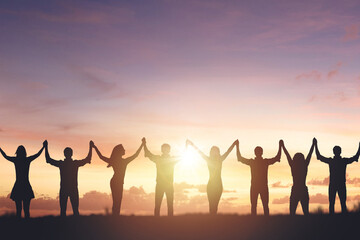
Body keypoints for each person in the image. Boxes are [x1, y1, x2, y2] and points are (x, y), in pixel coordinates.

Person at [92, 138, 145, 215]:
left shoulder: (119, 161)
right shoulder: (123, 161)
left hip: (117, 182)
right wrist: (142, 144)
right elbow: (136, 155)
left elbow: (101, 157)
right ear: (120, 152)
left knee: (117, 201)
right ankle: (115, 217)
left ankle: (116, 216)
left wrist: (95, 147)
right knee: (117, 201)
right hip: (115, 182)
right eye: (123, 149)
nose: (125, 150)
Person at [186, 139, 238, 215]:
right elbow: (199, 152)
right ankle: (211, 221)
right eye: (213, 151)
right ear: (211, 152)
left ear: (218, 152)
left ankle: (214, 221)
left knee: (215, 205)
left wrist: (234, 144)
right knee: (211, 205)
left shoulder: (220, 159)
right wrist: (192, 144)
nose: (214, 152)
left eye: (215, 151)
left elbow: (228, 151)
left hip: (218, 185)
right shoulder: (209, 159)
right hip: (211, 185)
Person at [44, 140, 92, 216]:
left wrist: (45, 147)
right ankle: (75, 226)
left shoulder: (62, 164)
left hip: (64, 189)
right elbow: (88, 159)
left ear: (64, 154)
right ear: (71, 154)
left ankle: (64, 226)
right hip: (72, 189)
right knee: (75, 211)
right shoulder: (75, 164)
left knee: (63, 211)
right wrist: (91, 147)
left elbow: (48, 160)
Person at [0, 141, 46, 218]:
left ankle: (20, 226)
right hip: (25, 186)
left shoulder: (16, 160)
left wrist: (0, 148)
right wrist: (43, 147)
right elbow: (37, 154)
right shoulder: (26, 160)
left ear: (17, 152)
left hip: (19, 186)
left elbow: (5, 156)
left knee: (19, 209)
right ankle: (26, 226)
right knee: (26, 210)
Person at [314, 138, 360, 214]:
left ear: (334, 152)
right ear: (340, 152)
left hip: (335, 184)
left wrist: (315, 145)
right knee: (341, 204)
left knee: (333, 204)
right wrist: (359, 147)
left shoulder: (332, 161)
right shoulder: (343, 161)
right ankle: (342, 220)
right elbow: (355, 157)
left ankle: (335, 220)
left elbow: (319, 156)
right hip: (339, 184)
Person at [236, 140, 282, 216]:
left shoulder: (254, 162)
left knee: (257, 206)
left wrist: (237, 146)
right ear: (261, 152)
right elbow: (277, 157)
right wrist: (280, 146)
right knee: (262, 206)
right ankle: (262, 222)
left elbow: (240, 158)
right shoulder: (264, 162)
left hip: (257, 187)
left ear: (255, 153)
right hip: (260, 186)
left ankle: (258, 222)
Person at [143, 138, 179, 216]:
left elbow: (183, 155)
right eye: (164, 149)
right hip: (160, 185)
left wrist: (187, 146)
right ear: (162, 150)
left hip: (169, 185)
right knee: (158, 205)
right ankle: (156, 221)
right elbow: (148, 153)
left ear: (169, 150)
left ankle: (170, 222)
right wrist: (144, 144)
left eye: (167, 149)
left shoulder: (171, 159)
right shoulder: (158, 159)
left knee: (170, 205)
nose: (165, 150)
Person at [281, 139, 315, 215]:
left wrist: (283, 146)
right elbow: (310, 154)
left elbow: (287, 155)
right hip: (302, 189)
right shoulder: (304, 165)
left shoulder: (294, 166)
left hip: (296, 189)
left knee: (292, 213)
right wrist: (313, 145)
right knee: (305, 212)